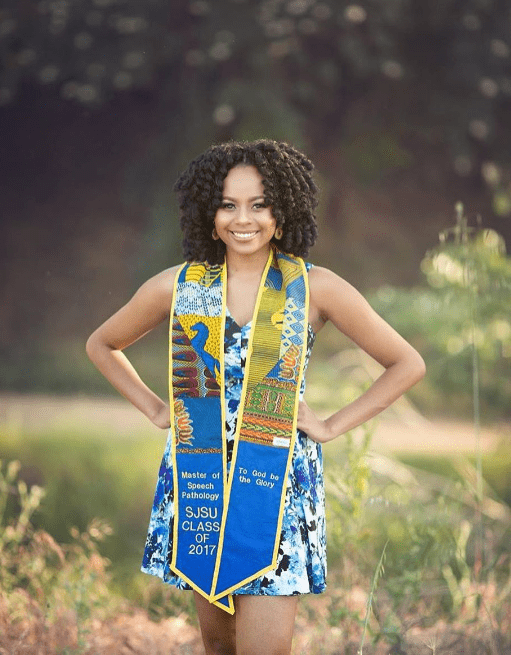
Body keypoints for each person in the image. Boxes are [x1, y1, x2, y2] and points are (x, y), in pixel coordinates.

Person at [86, 139, 425, 655]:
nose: (242, 219)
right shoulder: (178, 287)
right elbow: (102, 344)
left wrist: (331, 425)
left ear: (282, 210)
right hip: (200, 484)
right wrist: (156, 408)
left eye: (259, 204)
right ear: (210, 211)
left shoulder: (315, 288)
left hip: (275, 484)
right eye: (228, 204)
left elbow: (407, 364)